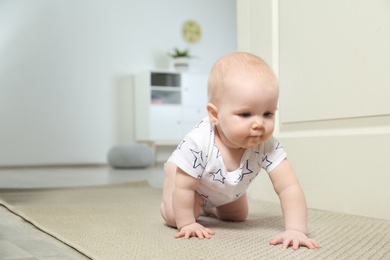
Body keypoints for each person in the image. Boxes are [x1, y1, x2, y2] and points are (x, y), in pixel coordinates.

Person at [160, 52, 320, 250]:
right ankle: (186, 204)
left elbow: (289, 187)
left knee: (237, 216)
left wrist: (296, 229)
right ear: (215, 114)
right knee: (176, 215)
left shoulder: (266, 144)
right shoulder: (198, 143)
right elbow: (184, 187)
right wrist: (187, 223)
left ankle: (211, 209)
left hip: (226, 189)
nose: (259, 123)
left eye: (268, 113)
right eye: (246, 114)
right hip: (189, 183)